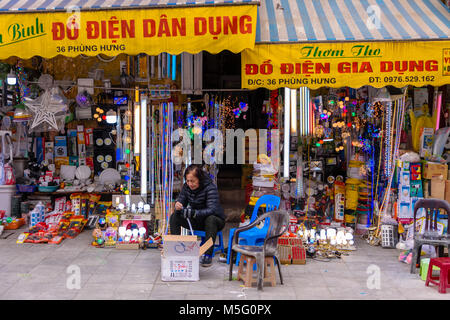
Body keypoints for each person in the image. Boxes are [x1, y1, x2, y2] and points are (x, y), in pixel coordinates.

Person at [170, 164, 225, 267]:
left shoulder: (210, 187)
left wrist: (194, 213)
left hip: (215, 220)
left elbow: (212, 209)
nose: (190, 184)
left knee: (211, 219)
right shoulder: (187, 187)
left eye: (193, 181)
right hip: (197, 220)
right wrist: (178, 204)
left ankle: (207, 255)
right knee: (174, 217)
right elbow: (182, 199)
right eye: (188, 181)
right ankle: (176, 248)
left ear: (199, 179)